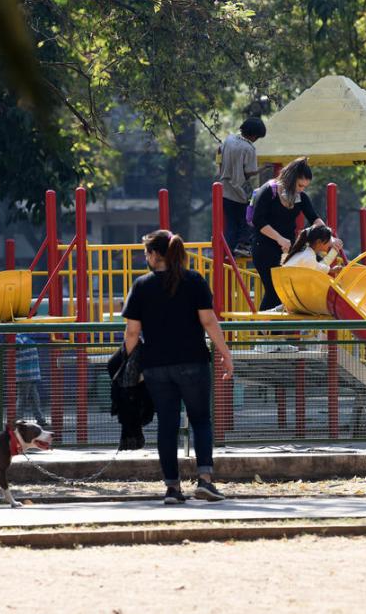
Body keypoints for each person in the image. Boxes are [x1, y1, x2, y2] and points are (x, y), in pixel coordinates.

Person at [122, 230, 234, 505]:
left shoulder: (142, 285)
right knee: (201, 420)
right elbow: (209, 322)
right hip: (193, 362)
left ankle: (172, 488)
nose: (146, 258)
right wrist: (225, 353)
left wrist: (130, 364)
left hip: (156, 367)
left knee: (167, 426)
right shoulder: (194, 280)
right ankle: (205, 481)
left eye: (147, 253)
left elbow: (132, 333)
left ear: (156, 255)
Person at [250, 157, 343, 311]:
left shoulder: (301, 197)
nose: (301, 189)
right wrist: (279, 239)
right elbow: (258, 221)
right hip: (264, 247)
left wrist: (331, 239)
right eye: (300, 185)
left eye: (305, 186)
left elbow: (315, 219)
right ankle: (263, 332)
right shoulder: (269, 191)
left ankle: (273, 333)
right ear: (291, 179)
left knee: (284, 292)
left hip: (286, 250)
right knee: (274, 291)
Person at [218, 117, 267, 258]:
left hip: (225, 187)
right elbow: (249, 171)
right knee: (249, 217)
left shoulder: (229, 139)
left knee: (232, 223)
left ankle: (227, 252)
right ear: (253, 135)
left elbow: (219, 154)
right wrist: (262, 169)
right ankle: (243, 245)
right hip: (240, 189)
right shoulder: (249, 148)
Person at [15, 334, 47, 428]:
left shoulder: (27, 337)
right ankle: (18, 419)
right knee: (23, 397)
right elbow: (16, 346)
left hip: (31, 374)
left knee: (34, 398)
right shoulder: (19, 337)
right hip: (25, 374)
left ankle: (40, 419)